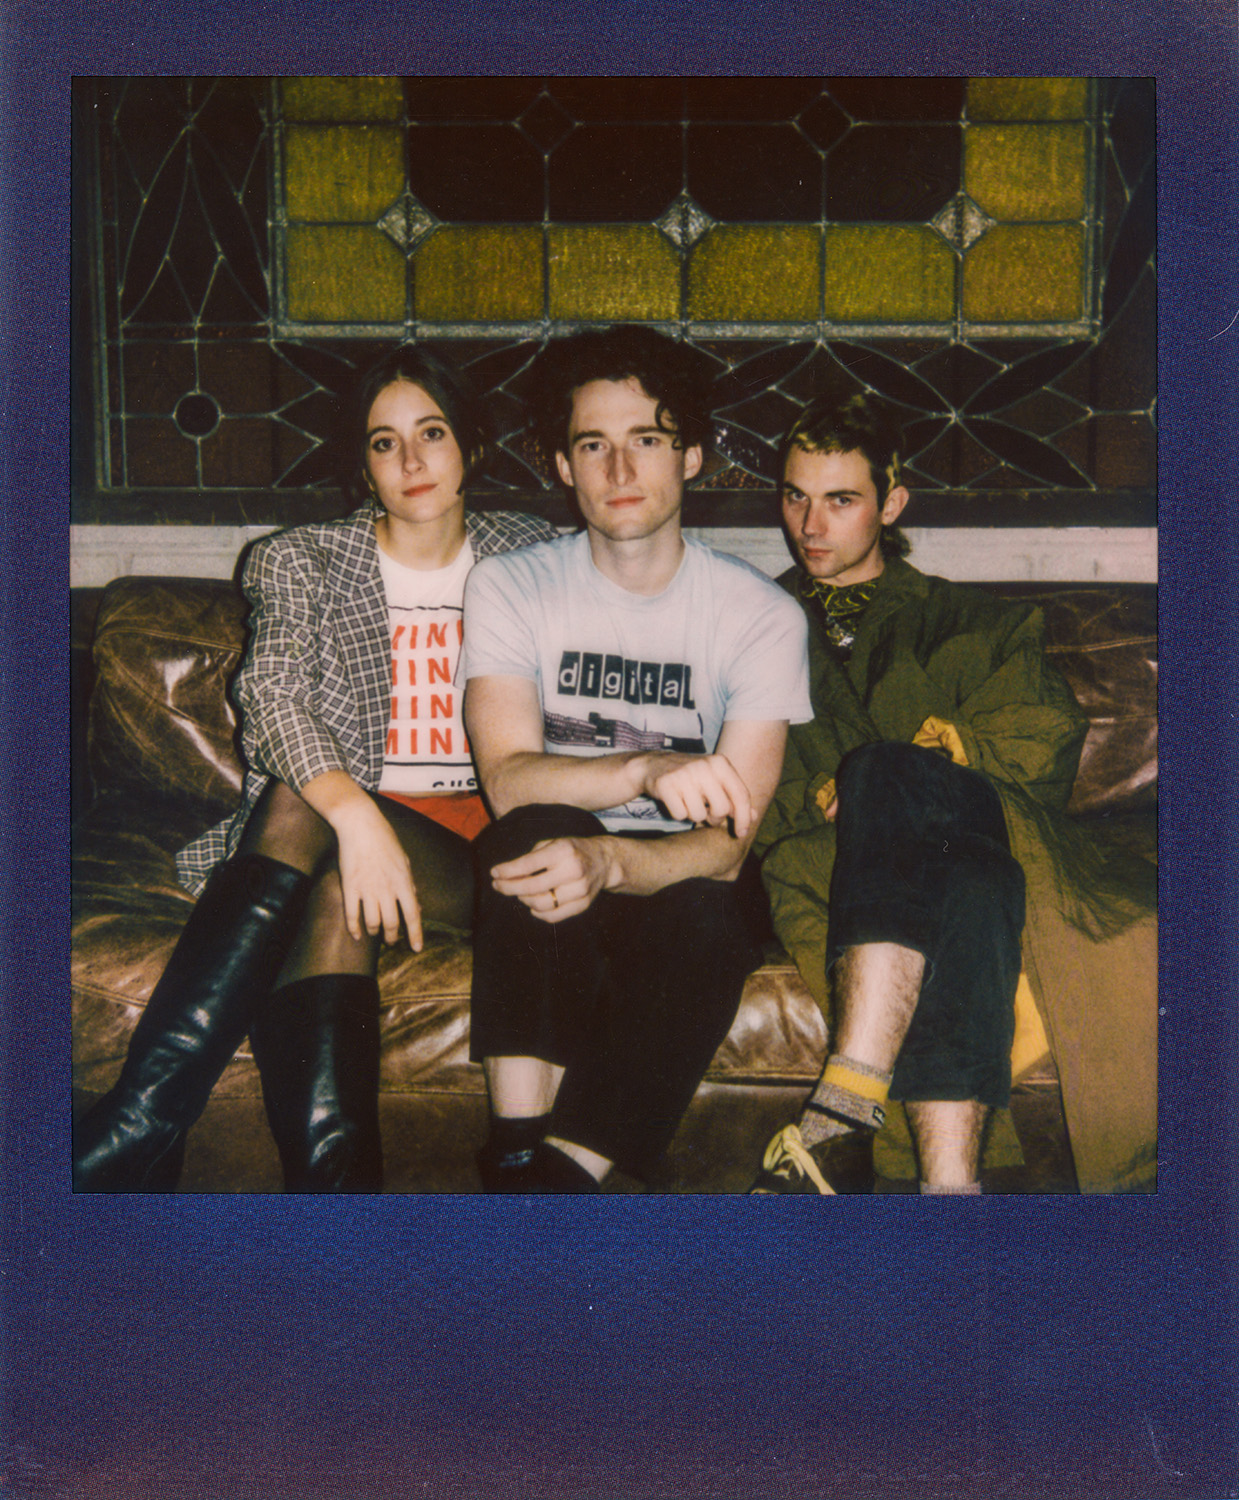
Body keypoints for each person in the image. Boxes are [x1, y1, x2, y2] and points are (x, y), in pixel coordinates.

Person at [73, 347, 558, 1193]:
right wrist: (359, 817)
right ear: (361, 464)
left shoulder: (534, 554)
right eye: (383, 442)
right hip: (349, 822)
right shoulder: (302, 559)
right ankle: (335, 1197)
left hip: (489, 848)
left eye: (432, 434)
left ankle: (139, 1124)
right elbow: (272, 696)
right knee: (327, 863)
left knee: (305, 804)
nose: (410, 462)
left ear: (470, 448)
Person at [749, 392, 1158, 1195]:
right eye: (794, 496)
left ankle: (843, 1103)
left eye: (840, 499)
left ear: (890, 503)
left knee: (885, 768)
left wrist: (933, 757)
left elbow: (1044, 734)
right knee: (969, 882)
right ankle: (949, 1194)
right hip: (845, 863)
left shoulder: (976, 620)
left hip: (985, 819)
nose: (810, 524)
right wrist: (825, 798)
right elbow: (733, 768)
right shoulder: (752, 623)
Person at [459, 325, 812, 1193]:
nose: (620, 471)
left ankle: (552, 1180)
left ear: (690, 456)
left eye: (646, 440)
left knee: (710, 912)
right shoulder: (510, 584)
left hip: (674, 879)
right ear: (561, 465)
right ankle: (515, 1139)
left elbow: (728, 843)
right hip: (549, 861)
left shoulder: (760, 614)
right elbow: (506, 780)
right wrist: (644, 771)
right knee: (537, 829)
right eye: (593, 445)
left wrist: (612, 856)